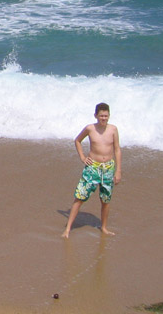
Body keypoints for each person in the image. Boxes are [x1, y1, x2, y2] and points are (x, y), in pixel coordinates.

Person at [62, 102, 122, 238]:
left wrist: (118, 171)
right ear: (96, 115)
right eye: (101, 116)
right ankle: (67, 229)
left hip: (108, 169)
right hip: (92, 167)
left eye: (106, 116)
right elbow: (77, 140)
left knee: (105, 200)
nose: (104, 118)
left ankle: (104, 228)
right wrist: (82, 157)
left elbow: (117, 149)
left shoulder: (113, 130)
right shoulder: (90, 129)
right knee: (80, 197)